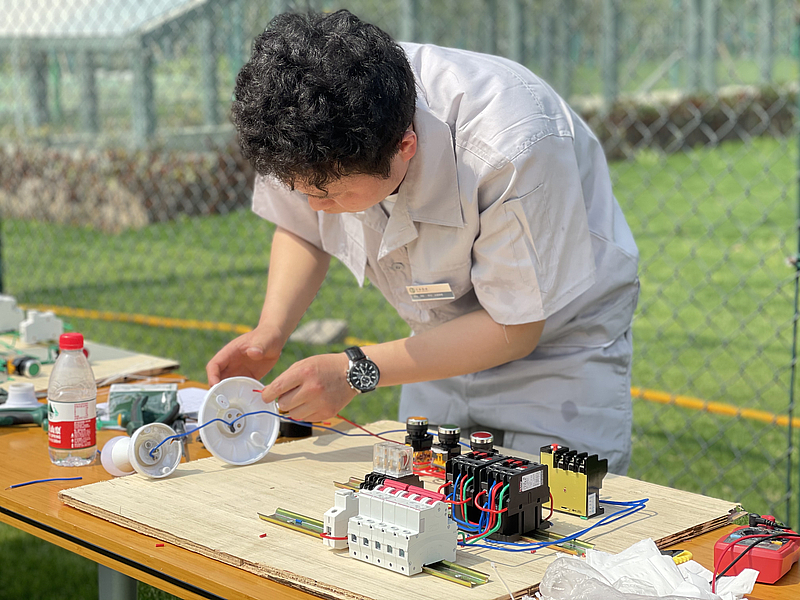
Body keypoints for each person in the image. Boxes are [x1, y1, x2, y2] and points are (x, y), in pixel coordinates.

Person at [206, 9, 639, 474]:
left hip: (557, 357)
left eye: (330, 194)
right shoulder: (297, 119)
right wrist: (271, 331)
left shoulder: (512, 145)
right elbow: (301, 227)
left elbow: (516, 327)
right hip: (433, 348)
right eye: (303, 190)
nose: (315, 206)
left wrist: (354, 370)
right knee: (421, 497)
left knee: (550, 504)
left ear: (404, 146)